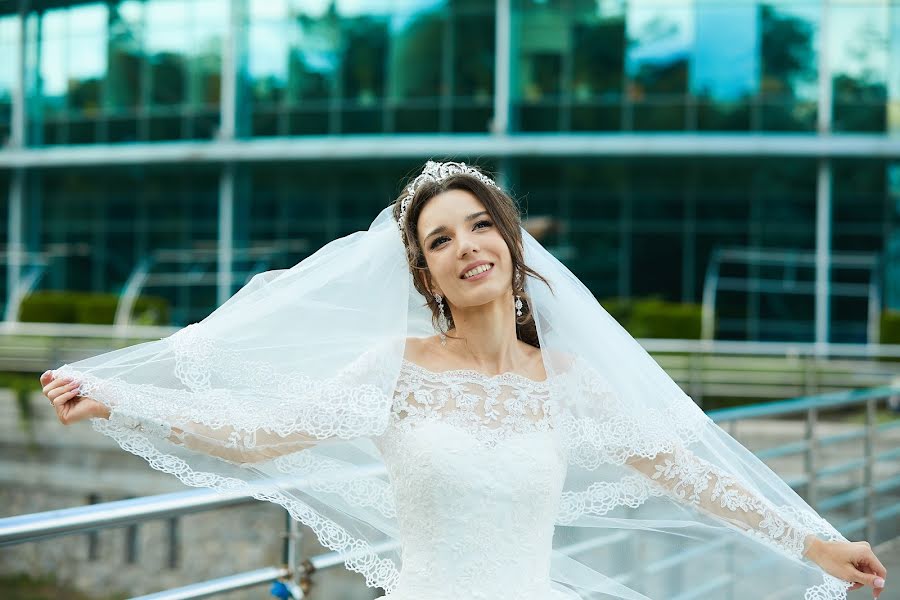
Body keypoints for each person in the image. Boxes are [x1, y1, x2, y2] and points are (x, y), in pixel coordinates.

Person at [41, 161, 886, 599]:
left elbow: (691, 473)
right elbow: (263, 431)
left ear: (513, 247)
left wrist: (815, 544)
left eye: (480, 226)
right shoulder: (394, 370)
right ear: (426, 275)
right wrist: (124, 395)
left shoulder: (570, 381)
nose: (466, 246)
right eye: (441, 240)